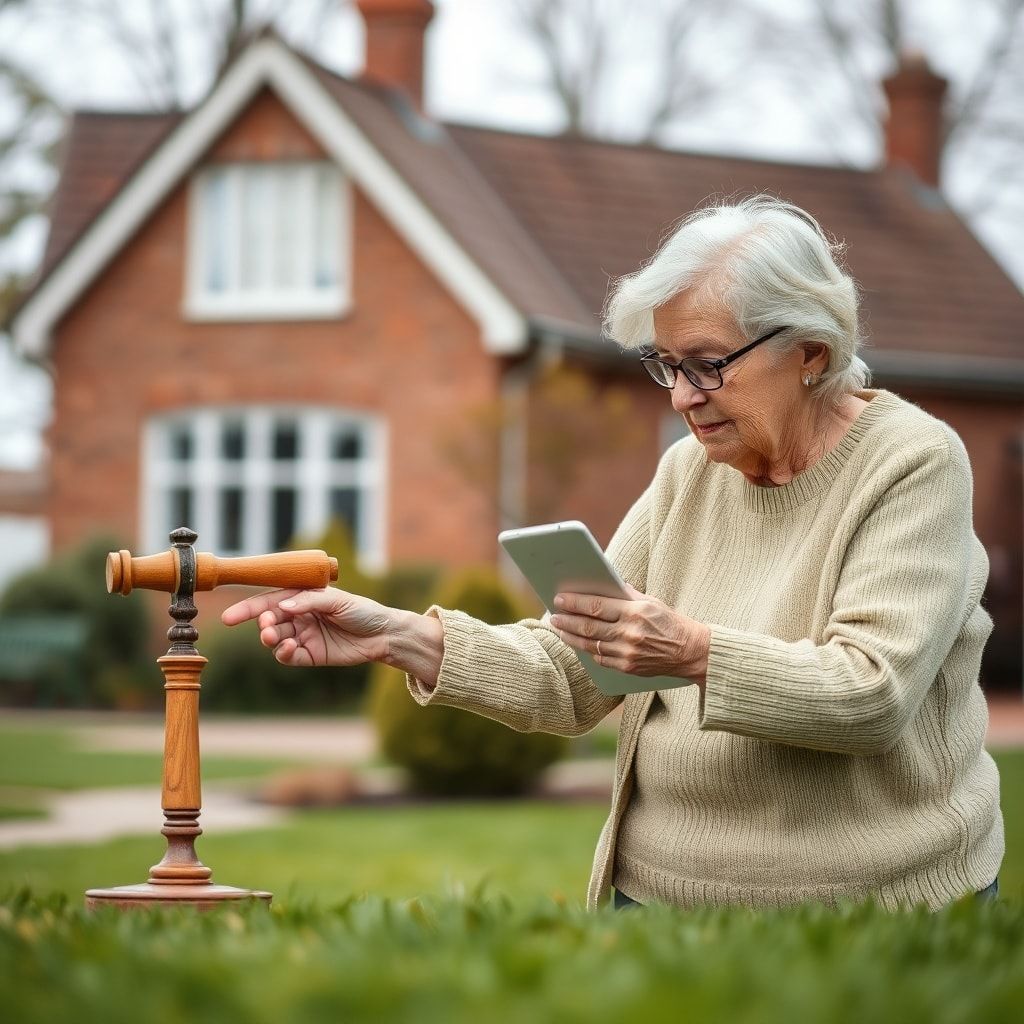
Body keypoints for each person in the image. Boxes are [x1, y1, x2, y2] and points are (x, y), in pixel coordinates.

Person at [223, 195, 1003, 912]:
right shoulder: (687, 474)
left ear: (809, 350)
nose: (681, 396)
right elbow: (573, 672)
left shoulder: (914, 463)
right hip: (654, 903)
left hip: (875, 908)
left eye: (708, 363)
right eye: (666, 365)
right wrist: (396, 635)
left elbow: (870, 694)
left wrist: (693, 652)